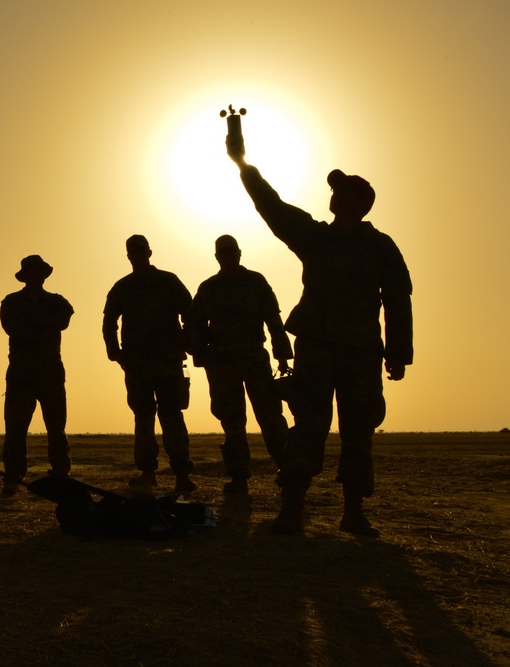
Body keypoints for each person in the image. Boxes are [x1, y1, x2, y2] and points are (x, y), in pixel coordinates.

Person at [228, 135, 413, 537]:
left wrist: (398, 353)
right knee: (309, 424)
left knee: (358, 429)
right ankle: (292, 509)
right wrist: (242, 164)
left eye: (339, 188)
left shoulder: (380, 247)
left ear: (355, 201)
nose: (332, 192)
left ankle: (353, 511)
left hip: (360, 354)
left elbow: (399, 300)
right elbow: (271, 206)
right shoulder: (316, 237)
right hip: (317, 348)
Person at [188, 234, 292, 494]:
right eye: (222, 251)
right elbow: (195, 326)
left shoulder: (255, 282)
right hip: (221, 363)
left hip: (254, 358)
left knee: (270, 417)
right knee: (232, 422)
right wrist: (200, 356)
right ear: (216, 256)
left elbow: (273, 319)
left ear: (239, 252)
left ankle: (289, 472)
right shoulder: (208, 288)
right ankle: (238, 477)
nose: (227, 255)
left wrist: (282, 354)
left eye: (231, 250)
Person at [103, 235, 196, 495]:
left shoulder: (168, 281)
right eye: (133, 252)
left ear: (149, 252)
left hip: (167, 363)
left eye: (140, 251)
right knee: (143, 417)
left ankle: (181, 474)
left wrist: (184, 344)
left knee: (172, 416)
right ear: (129, 256)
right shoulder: (123, 287)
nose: (137, 256)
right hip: (137, 365)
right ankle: (147, 472)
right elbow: (109, 321)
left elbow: (190, 314)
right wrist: (116, 354)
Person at [0, 255, 73, 497]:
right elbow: (13, 329)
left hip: (50, 374)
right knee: (16, 430)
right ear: (25, 275)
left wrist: (31, 328)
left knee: (56, 428)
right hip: (21, 375)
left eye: (40, 270)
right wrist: (42, 328)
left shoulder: (58, 302)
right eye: (32, 270)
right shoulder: (11, 302)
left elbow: (62, 321)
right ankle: (12, 479)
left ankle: (62, 475)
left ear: (44, 274)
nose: (36, 274)